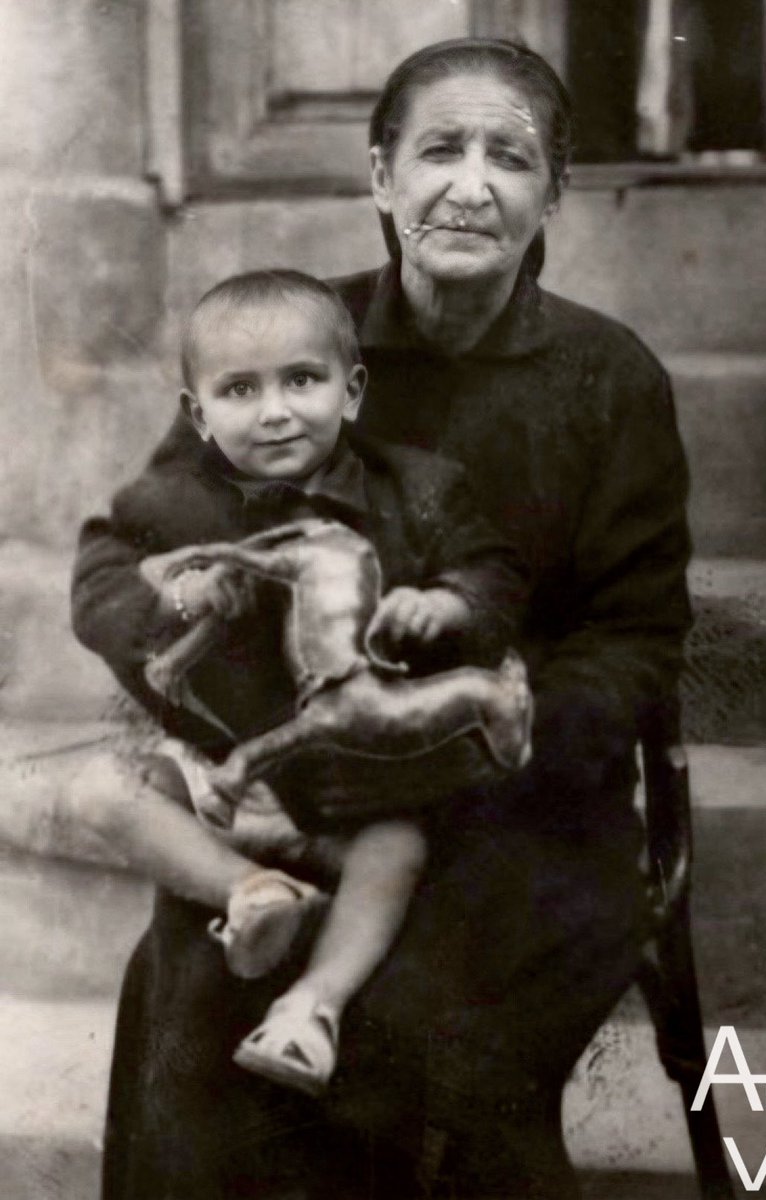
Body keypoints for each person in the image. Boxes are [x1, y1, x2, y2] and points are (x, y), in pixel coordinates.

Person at [71, 37, 692, 1200]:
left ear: (551, 192)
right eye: (436, 151)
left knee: (416, 1022)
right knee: (202, 991)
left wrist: (475, 745)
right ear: (377, 178)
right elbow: (134, 561)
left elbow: (638, 642)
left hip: (522, 798)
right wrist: (202, 666)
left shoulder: (609, 379)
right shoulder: (291, 347)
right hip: (306, 793)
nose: (468, 185)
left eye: (507, 158)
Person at [72, 269, 530, 1096]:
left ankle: (311, 1010)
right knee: (102, 791)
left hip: (352, 797)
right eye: (240, 390)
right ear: (196, 413)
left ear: (351, 392)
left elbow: (495, 575)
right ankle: (253, 894)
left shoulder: (421, 490)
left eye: (303, 381)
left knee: (399, 847)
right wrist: (178, 592)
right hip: (219, 782)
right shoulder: (166, 503)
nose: (276, 410)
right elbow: (97, 591)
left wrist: (448, 603)